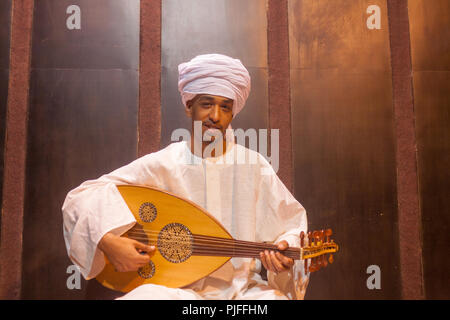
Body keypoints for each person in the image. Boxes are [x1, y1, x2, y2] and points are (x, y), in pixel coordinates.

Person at [62, 53, 309, 300]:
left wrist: (285, 253)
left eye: (225, 106)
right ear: (188, 106)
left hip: (243, 292)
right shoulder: (163, 164)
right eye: (206, 104)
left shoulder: (253, 166)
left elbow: (291, 225)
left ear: (233, 113)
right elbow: (82, 197)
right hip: (176, 292)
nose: (215, 115)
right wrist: (108, 240)